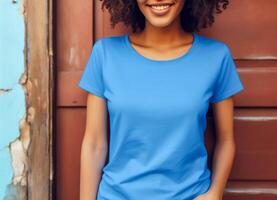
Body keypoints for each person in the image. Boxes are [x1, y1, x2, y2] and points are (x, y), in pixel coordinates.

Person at [78, 0, 244, 199]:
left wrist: (215, 193)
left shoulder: (216, 56)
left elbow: (226, 141)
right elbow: (94, 144)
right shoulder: (105, 54)